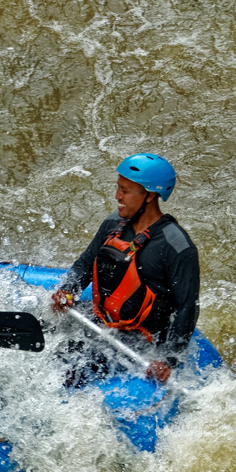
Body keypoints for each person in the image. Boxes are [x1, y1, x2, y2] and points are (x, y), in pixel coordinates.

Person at [50, 153, 199, 384]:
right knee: (44, 336)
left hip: (141, 338)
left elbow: (187, 307)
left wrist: (168, 359)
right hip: (101, 318)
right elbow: (85, 264)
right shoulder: (113, 224)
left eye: (126, 191)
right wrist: (68, 290)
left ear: (149, 195)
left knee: (71, 369)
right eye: (118, 188)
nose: (117, 196)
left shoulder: (177, 247)